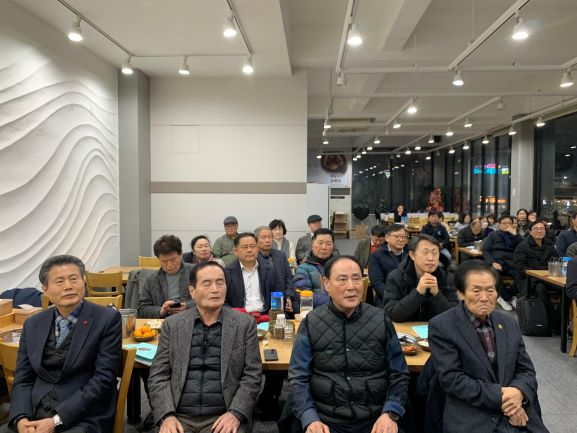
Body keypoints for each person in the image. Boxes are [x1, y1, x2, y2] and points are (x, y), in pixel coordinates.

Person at [288, 256, 410, 433]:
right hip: (326, 419)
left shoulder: (380, 319)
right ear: (326, 284)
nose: (351, 287)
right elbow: (298, 377)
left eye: (356, 278)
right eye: (342, 279)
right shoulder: (311, 322)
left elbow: (399, 374)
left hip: (376, 418)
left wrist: (390, 413)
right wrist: (310, 418)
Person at [428, 261, 549, 433]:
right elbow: (452, 379)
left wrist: (518, 393)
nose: (484, 297)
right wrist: (502, 397)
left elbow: (526, 370)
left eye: (490, 290)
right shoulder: (443, 326)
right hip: (472, 415)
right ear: (461, 293)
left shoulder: (509, 323)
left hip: (516, 410)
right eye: (476, 291)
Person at [9, 255, 122, 433]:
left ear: (84, 282)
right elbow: (23, 378)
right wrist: (20, 417)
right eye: (59, 281)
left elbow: (104, 379)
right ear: (45, 289)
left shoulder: (107, 319)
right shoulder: (32, 324)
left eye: (74, 279)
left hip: (84, 413)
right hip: (36, 409)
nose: (68, 286)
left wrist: (55, 421)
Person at [148, 261, 262, 433]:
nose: (215, 289)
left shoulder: (244, 324)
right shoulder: (173, 325)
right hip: (179, 415)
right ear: (192, 291)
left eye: (220, 282)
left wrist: (235, 413)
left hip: (223, 416)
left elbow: (252, 375)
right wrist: (166, 415)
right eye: (207, 284)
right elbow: (158, 375)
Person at [383, 234, 458, 322]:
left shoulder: (448, 278)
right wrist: (418, 293)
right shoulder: (396, 277)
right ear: (412, 255)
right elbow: (392, 314)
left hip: (436, 328)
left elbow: (454, 318)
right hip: (406, 329)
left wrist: (436, 294)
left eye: (435, 253)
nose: (431, 258)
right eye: (425, 252)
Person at [138, 235, 194, 319]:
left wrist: (187, 306)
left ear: (181, 254)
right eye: (164, 261)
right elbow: (142, 309)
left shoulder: (196, 272)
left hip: (192, 319)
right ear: (158, 259)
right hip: (164, 321)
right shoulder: (152, 280)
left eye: (173, 260)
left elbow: (207, 299)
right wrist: (161, 311)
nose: (169, 265)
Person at [224, 232, 280, 312]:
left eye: (252, 246)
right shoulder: (227, 273)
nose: (249, 250)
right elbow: (223, 302)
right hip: (239, 316)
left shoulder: (270, 270)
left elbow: (278, 295)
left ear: (257, 248)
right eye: (245, 247)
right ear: (236, 251)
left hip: (265, 315)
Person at [482, 215, 524, 311]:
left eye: (509, 223)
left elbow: (523, 247)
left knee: (522, 275)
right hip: (497, 262)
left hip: (512, 263)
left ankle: (506, 296)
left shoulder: (515, 236)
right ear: (499, 225)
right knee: (495, 275)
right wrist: (493, 262)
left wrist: (515, 234)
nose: (507, 225)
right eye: (504, 223)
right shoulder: (492, 235)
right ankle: (508, 298)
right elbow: (486, 251)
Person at [513, 220, 559, 299]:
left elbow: (556, 262)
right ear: (530, 232)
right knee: (540, 288)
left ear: (545, 231)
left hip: (548, 278)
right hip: (529, 278)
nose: (539, 231)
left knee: (567, 288)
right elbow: (519, 265)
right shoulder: (523, 246)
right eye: (536, 229)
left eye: (542, 229)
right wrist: (536, 274)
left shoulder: (550, 245)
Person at [293, 228, 336, 309]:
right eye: (320, 243)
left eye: (328, 243)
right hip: (315, 313)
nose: (324, 247)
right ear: (312, 245)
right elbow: (303, 294)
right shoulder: (303, 268)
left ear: (333, 246)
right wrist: (336, 303)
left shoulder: (340, 267)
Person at [368, 224, 408, 308]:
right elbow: (377, 282)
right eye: (397, 236)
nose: (401, 239)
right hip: (385, 299)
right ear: (387, 238)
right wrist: (391, 297)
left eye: (403, 237)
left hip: (408, 299)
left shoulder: (410, 254)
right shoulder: (377, 255)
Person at [255, 226, 295, 309]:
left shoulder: (281, 255)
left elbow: (289, 277)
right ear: (256, 240)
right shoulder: (253, 258)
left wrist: (289, 296)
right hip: (263, 303)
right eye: (263, 237)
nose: (267, 240)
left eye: (269, 237)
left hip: (283, 299)